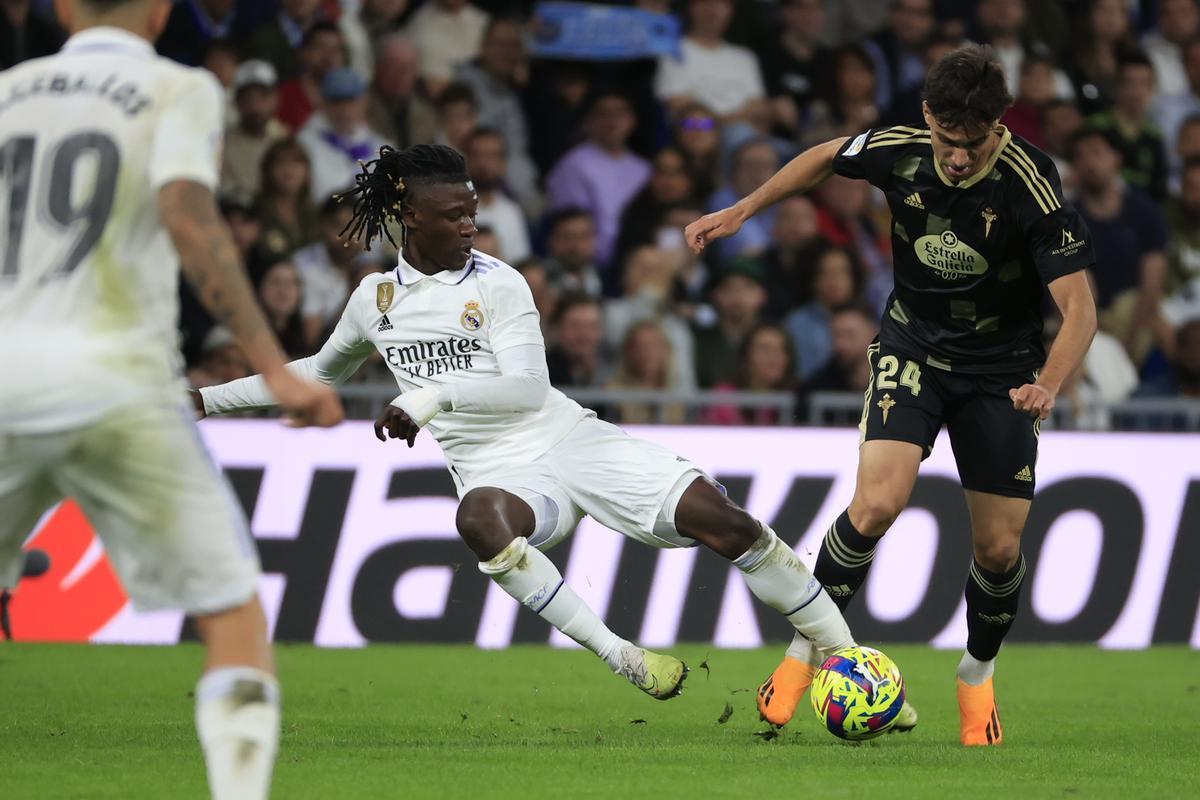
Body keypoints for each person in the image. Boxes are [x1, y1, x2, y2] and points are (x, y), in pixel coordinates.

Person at [195, 144, 883, 712]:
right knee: (478, 519)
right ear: (409, 216)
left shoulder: (498, 282)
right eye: (454, 214)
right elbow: (314, 372)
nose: (470, 225)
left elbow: (526, 389)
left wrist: (430, 399)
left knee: (725, 521)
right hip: (505, 477)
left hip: (568, 440)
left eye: (473, 211)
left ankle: (854, 667)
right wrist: (205, 402)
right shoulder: (374, 300)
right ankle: (624, 656)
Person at [688, 44, 1097, 746]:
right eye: (947, 139)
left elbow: (1081, 307)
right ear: (927, 116)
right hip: (913, 347)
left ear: (998, 127)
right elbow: (823, 155)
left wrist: (1048, 384)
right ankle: (801, 654)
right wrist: (746, 207)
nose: (958, 158)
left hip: (1004, 371)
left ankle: (975, 673)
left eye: (974, 144)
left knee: (999, 552)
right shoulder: (899, 148)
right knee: (876, 503)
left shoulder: (1032, 183)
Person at [0, 4, 343, 800]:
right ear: (159, 11)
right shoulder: (175, 88)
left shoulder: (10, 91)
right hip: (117, 381)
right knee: (231, 614)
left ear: (60, 8)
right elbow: (189, 215)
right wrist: (273, 365)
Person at [298, 67, 391, 206]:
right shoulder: (304, 144)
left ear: (364, 102)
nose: (344, 110)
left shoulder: (382, 148)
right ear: (323, 102)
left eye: (350, 101)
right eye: (336, 102)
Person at [221, 60, 287, 199]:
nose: (255, 107)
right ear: (237, 101)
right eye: (248, 98)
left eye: (262, 97)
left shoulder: (286, 142)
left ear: (276, 99)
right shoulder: (221, 144)